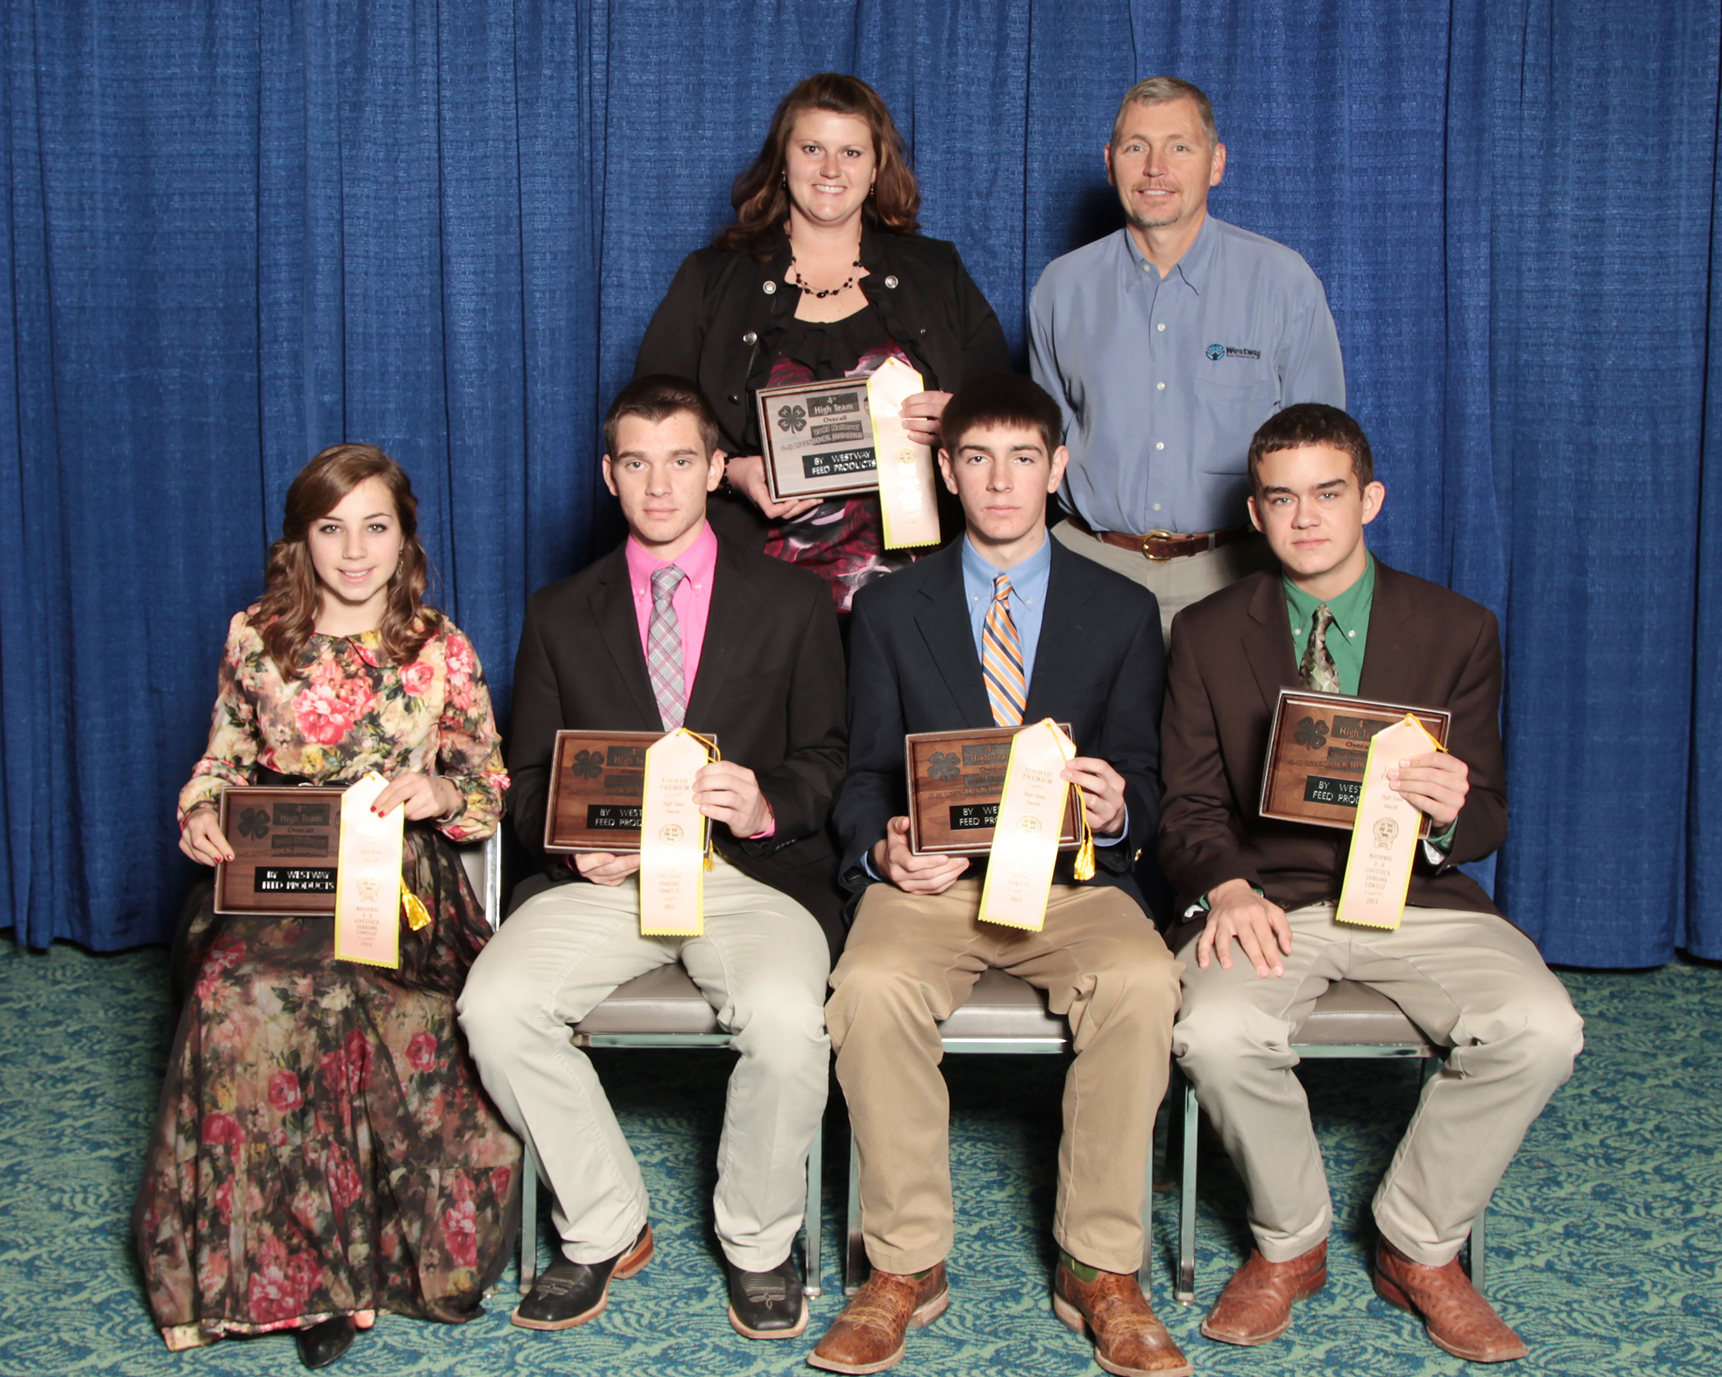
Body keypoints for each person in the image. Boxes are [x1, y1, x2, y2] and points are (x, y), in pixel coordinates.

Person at [1160, 403, 1583, 1363]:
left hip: (1419, 900)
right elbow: (1184, 805)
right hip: (1272, 896)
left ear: (1370, 500)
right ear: (1256, 516)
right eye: (1281, 498)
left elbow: (1487, 821)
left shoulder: (1458, 628)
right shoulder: (1205, 630)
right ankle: (1291, 1242)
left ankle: (1418, 1245)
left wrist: (1448, 808)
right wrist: (1223, 886)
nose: (1305, 517)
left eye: (1328, 493)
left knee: (1545, 1026)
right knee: (1215, 1031)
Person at [813, 374, 1188, 1377]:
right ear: (946, 470)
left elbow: (1145, 780)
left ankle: (1100, 1267)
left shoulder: (1122, 608)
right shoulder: (891, 609)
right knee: (871, 984)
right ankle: (905, 1265)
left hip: (1072, 883)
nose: (1002, 480)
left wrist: (1117, 810)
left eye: (1025, 458)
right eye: (977, 459)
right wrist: (883, 849)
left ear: (1058, 469)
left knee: (1146, 982)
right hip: (934, 883)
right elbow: (858, 775)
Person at [457, 377, 845, 1342]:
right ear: (609, 475)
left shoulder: (796, 602)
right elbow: (532, 773)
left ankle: (760, 1243)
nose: (659, 484)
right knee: (494, 1006)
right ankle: (602, 1221)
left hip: (746, 875)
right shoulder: (558, 612)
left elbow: (831, 757)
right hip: (609, 881)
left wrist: (765, 801)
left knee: (791, 1020)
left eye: (681, 460)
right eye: (637, 462)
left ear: (718, 469)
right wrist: (576, 838)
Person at [134, 445, 519, 1369]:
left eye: (375, 526)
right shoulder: (254, 635)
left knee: (350, 993)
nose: (355, 550)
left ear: (404, 535)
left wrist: (438, 796)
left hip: (401, 883)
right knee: (238, 996)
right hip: (280, 873)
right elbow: (222, 763)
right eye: (331, 527)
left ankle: (365, 1270)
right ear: (301, 539)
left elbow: (489, 784)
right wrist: (197, 813)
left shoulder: (441, 647)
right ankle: (287, 1280)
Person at [635, 72, 1011, 614]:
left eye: (851, 152)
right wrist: (734, 471)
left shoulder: (936, 273)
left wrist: (961, 419)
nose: (831, 170)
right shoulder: (712, 279)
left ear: (876, 166)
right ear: (782, 160)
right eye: (812, 148)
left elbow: (1008, 412)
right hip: (756, 595)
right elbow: (650, 421)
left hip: (915, 592)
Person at [1029, 76, 1345, 640]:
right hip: (1093, 570)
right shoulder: (1061, 288)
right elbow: (1042, 449)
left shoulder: (1283, 283)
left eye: (1180, 146)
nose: (1155, 168)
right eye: (1135, 147)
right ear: (1110, 163)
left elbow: (1322, 457)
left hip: (1235, 576)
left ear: (1216, 162)